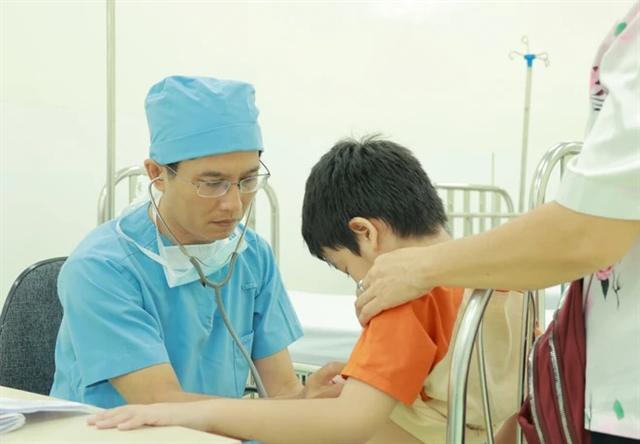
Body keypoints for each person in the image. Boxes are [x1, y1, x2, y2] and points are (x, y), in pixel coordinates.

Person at [88, 136, 521, 444]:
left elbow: (347, 423)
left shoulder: (402, 298)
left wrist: (201, 412)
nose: (361, 284)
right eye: (213, 182)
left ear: (365, 234)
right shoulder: (512, 283)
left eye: (346, 267)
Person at [355, 3, 640, 443]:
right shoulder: (507, 292)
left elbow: (588, 230)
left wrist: (216, 412)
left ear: (365, 232)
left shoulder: (407, 296)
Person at [50, 75, 307, 408]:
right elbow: (164, 406)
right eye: (212, 184)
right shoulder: (100, 270)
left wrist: (315, 402)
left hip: (217, 432)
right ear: (157, 174)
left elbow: (284, 389)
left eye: (247, 180)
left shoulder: (251, 255)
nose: (233, 204)